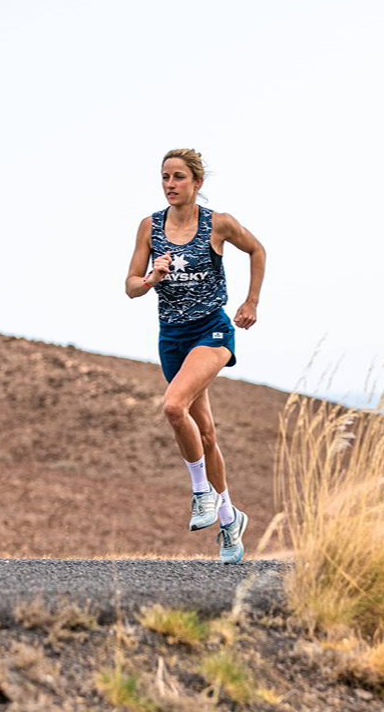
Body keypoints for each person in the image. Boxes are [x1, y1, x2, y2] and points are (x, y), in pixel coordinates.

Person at [125, 148, 266, 563]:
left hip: (212, 330)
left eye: (179, 177)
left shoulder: (217, 224)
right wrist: (153, 277)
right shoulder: (150, 227)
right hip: (172, 337)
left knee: (172, 406)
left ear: (196, 183)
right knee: (204, 433)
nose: (170, 184)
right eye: (165, 177)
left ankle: (202, 493)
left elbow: (258, 250)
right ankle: (229, 520)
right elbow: (131, 286)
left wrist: (251, 302)